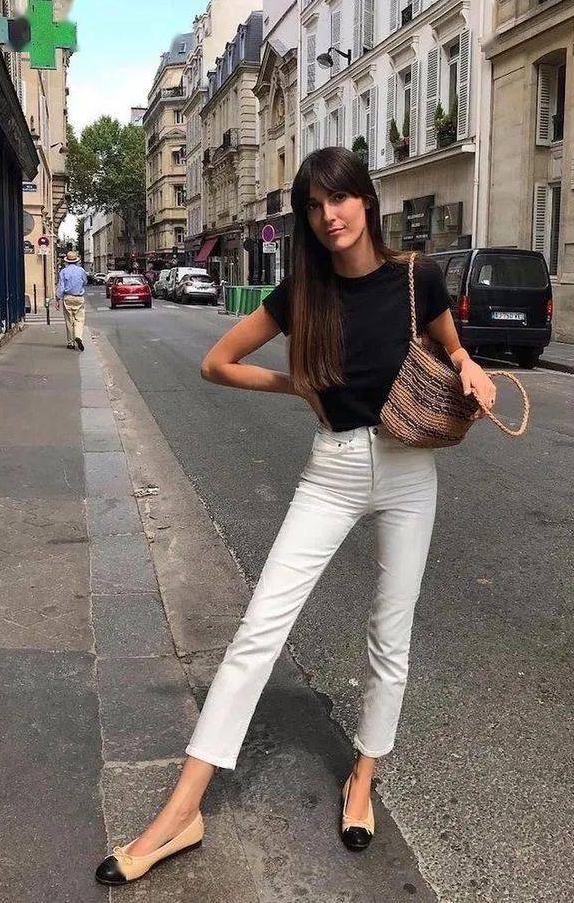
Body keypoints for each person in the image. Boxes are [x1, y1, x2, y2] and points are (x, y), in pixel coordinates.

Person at [95, 146, 497, 886]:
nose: (328, 216)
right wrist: (297, 385)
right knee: (258, 631)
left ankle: (362, 779)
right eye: (313, 206)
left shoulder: (419, 277)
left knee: (391, 632)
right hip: (334, 469)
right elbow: (216, 363)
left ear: (365, 200)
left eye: (338, 199)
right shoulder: (301, 293)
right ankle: (182, 811)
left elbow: (451, 348)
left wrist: (469, 366)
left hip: (410, 472)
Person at [55, 250, 88, 351]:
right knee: (79, 319)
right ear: (77, 261)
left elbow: (61, 287)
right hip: (79, 297)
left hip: (68, 297)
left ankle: (71, 343)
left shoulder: (63, 271)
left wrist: (58, 299)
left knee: (69, 320)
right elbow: (85, 282)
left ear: (66, 261)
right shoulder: (81, 270)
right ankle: (78, 336)